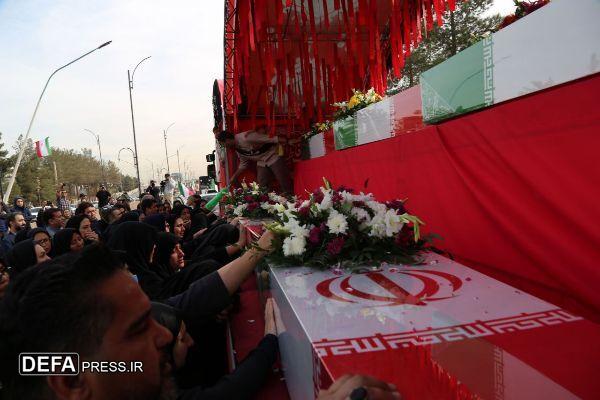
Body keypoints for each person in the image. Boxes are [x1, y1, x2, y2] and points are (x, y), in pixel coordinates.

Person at [216, 127, 293, 194]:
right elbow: (243, 164)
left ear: (227, 140)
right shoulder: (237, 149)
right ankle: (268, 202)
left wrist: (288, 141)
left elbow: (271, 139)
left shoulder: (246, 137)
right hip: (261, 161)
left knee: (283, 179)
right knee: (262, 183)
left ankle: (291, 198)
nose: (225, 146)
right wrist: (234, 177)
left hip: (272, 155)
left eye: (223, 144)